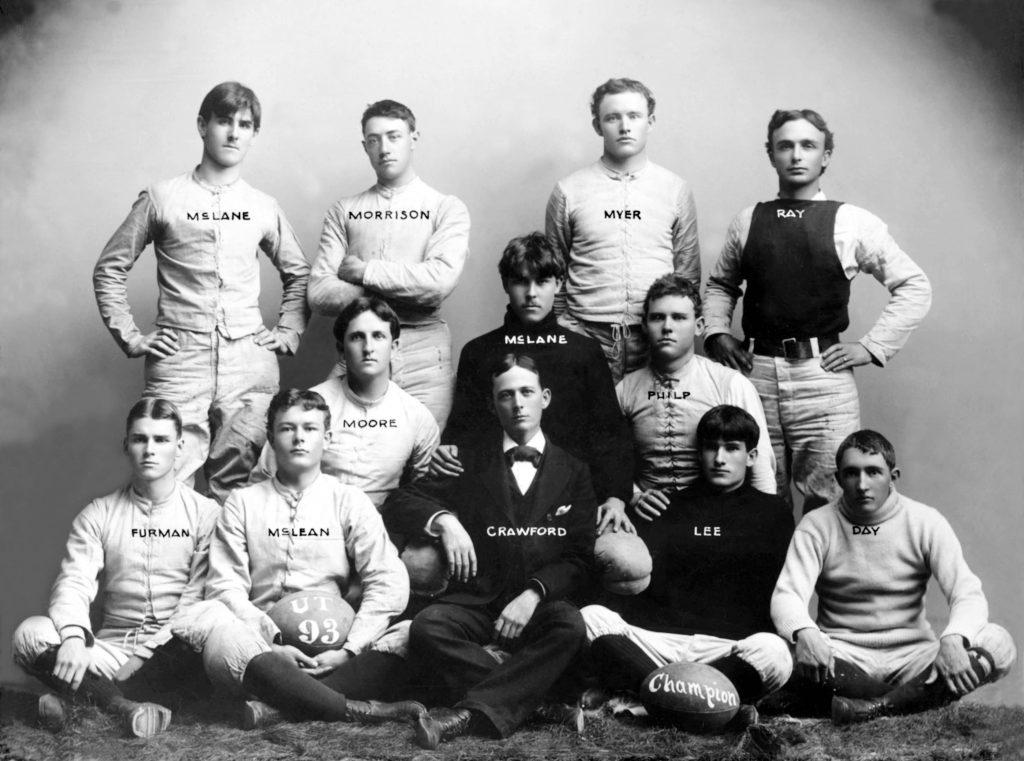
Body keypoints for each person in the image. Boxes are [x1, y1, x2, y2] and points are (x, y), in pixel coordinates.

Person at [93, 81, 310, 503]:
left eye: (244, 125)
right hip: (178, 360)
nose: (233, 133)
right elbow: (109, 268)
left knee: (241, 488)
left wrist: (288, 330)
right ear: (202, 125)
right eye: (224, 121)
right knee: (166, 484)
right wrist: (132, 337)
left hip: (249, 363)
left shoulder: (262, 204)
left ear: (253, 134)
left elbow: (299, 273)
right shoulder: (163, 197)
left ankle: (231, 572)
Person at [704, 108, 931, 511]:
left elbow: (914, 285)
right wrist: (717, 332)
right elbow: (721, 284)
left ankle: (822, 577)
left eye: (808, 146)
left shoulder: (851, 222)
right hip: (754, 375)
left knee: (829, 502)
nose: (796, 155)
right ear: (770, 154)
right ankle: (768, 577)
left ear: (825, 156)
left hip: (823, 380)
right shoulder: (748, 220)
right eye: (785, 146)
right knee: (755, 497)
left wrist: (872, 346)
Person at [383, 354, 596, 749]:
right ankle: (539, 702)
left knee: (570, 627)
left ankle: (463, 715)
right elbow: (402, 501)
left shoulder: (575, 471)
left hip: (539, 608)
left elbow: (580, 558)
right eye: (506, 395)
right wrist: (445, 519)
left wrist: (534, 593)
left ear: (544, 398)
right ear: (492, 403)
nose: (517, 404)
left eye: (527, 392)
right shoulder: (468, 459)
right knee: (428, 627)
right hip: (478, 602)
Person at [181, 389, 419, 726]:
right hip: (261, 648)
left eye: (310, 428)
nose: (299, 438)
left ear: (328, 436)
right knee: (216, 626)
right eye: (287, 428)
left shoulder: (349, 500)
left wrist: (349, 649)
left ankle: (279, 706)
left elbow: (388, 581)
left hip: (335, 647)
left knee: (410, 632)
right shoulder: (242, 502)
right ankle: (349, 706)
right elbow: (225, 587)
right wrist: (272, 644)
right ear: (271, 438)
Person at [771, 430, 1015, 724]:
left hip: (913, 656)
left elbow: (967, 591)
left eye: (873, 472)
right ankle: (910, 701)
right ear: (837, 479)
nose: (862, 485)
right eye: (851, 474)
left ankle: (876, 706)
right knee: (779, 651)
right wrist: (805, 633)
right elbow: (787, 595)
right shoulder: (817, 525)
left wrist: (954, 638)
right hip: (843, 656)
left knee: (999, 644)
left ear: (893, 475)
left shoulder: (925, 521)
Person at [12, 399, 219, 737]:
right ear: (126, 445)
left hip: (172, 654)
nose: (149, 450)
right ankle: (125, 708)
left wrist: (150, 653)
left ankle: (85, 701)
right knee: (30, 634)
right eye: (140, 439)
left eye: (161, 440)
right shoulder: (99, 513)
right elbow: (74, 583)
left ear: (180, 447)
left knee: (210, 637)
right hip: (109, 654)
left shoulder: (206, 515)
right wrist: (75, 638)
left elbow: (198, 602)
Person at [581, 405, 794, 727]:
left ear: (751, 456)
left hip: (725, 649)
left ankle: (651, 697)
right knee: (589, 618)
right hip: (659, 641)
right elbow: (639, 583)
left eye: (732, 448)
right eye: (711, 447)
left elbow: (781, 589)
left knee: (774, 652)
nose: (719, 458)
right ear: (699, 452)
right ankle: (712, 704)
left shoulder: (773, 513)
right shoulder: (665, 504)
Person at [434, 232, 633, 533]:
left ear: (559, 284)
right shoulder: (478, 352)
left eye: (541, 282)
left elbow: (609, 434)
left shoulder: (584, 352)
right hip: (497, 501)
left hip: (571, 498)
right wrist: (448, 455)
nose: (531, 293)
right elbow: (464, 431)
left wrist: (616, 498)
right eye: (520, 281)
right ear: (505, 284)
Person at [307, 99, 470, 428]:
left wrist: (364, 272)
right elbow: (319, 293)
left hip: (424, 354)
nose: (384, 148)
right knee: (340, 449)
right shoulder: (345, 210)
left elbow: (438, 284)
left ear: (414, 137)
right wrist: (400, 286)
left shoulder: (446, 208)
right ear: (364, 146)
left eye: (394, 136)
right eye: (373, 139)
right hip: (360, 349)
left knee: (422, 461)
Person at [546, 77, 700, 382]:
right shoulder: (568, 191)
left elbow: (687, 273)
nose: (625, 126)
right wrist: (564, 327)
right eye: (613, 117)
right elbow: (554, 270)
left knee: (654, 428)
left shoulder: (674, 190)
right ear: (597, 125)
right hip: (587, 338)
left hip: (655, 340)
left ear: (650, 121)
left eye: (634, 116)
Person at [617, 274, 775, 527]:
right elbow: (610, 460)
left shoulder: (730, 384)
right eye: (658, 317)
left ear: (699, 326)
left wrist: (763, 524)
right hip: (648, 519)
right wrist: (634, 496)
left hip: (718, 515)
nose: (667, 327)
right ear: (645, 326)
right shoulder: (625, 390)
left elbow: (760, 466)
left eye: (679, 317)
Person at [252, 297, 438, 509]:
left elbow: (425, 497)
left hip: (379, 533)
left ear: (394, 347)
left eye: (378, 336)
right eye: (357, 337)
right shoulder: (306, 406)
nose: (368, 348)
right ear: (341, 349)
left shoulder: (416, 416)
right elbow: (261, 483)